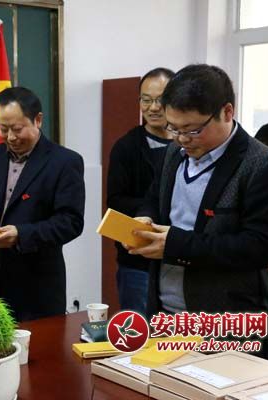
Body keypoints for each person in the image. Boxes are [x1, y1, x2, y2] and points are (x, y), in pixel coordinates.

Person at [129, 64, 268, 360]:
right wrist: (146, 217)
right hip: (166, 314)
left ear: (227, 112)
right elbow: (155, 197)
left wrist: (176, 245)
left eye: (193, 130)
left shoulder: (263, 166)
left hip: (225, 324)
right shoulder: (174, 153)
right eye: (173, 128)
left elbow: (264, 247)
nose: (182, 139)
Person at [0, 86, 85, 322]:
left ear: (38, 120)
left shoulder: (64, 162)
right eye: (3, 129)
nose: (10, 137)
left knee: (39, 345)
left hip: (36, 286)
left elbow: (71, 222)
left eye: (17, 129)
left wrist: (21, 235)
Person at [107, 67, 175, 315]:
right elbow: (116, 201)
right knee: (138, 330)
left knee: (179, 334)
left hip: (179, 257)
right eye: (146, 100)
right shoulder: (126, 147)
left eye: (160, 100)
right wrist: (155, 213)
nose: (153, 108)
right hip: (138, 263)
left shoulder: (189, 145)